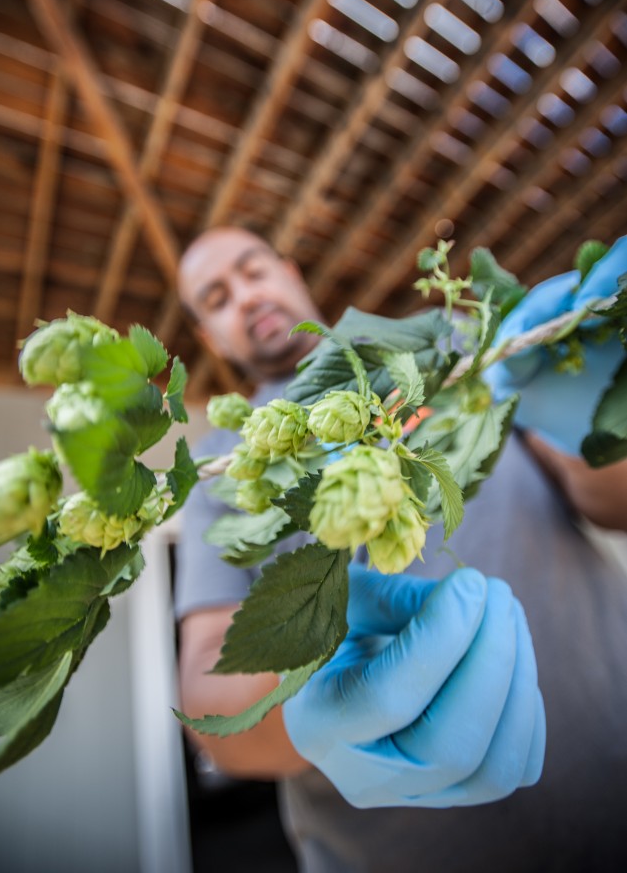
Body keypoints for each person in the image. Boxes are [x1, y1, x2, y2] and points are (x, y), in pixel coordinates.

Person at [174, 226, 627, 873]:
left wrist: (594, 428)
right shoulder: (226, 464)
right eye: (216, 298)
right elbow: (208, 694)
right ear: (208, 336)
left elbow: (611, 505)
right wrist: (309, 708)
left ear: (292, 272)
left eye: (253, 270)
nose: (246, 297)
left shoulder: (444, 343)